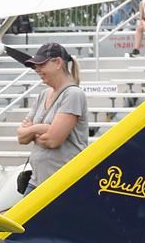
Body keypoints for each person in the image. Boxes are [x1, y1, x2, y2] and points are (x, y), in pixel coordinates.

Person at [15, 43, 89, 193]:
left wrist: (31, 133)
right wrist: (39, 129)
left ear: (58, 63)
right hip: (37, 180)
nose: (37, 69)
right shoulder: (43, 94)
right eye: (35, 65)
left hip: (63, 185)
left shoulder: (73, 94)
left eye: (41, 64)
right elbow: (21, 137)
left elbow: (52, 140)